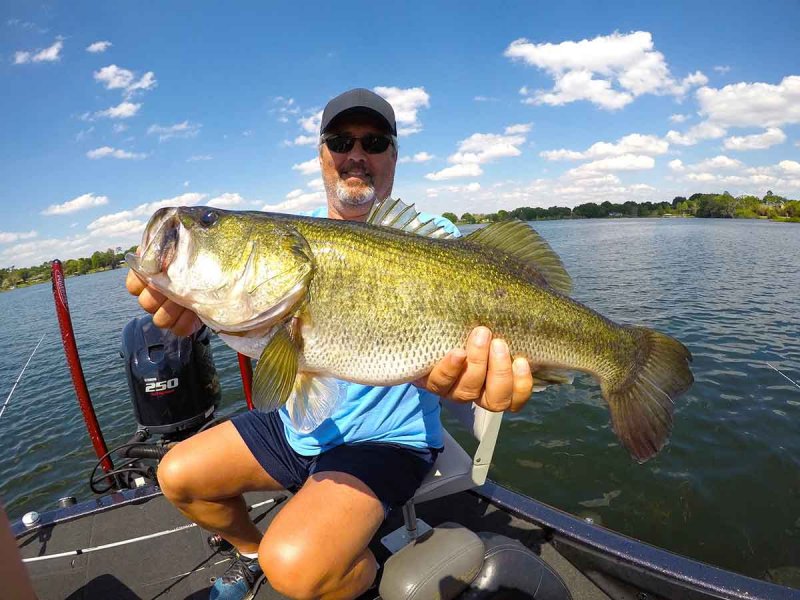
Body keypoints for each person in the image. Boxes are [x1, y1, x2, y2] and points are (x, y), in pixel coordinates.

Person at [126, 88, 535, 600]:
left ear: (393, 155)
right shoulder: (296, 235)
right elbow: (263, 330)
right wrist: (194, 311)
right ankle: (252, 555)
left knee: (295, 566)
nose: (357, 154)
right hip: (302, 427)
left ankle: (357, 579)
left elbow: (457, 379)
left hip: (388, 441)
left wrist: (468, 387)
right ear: (322, 154)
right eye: (341, 140)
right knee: (178, 474)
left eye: (375, 141)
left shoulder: (439, 241)